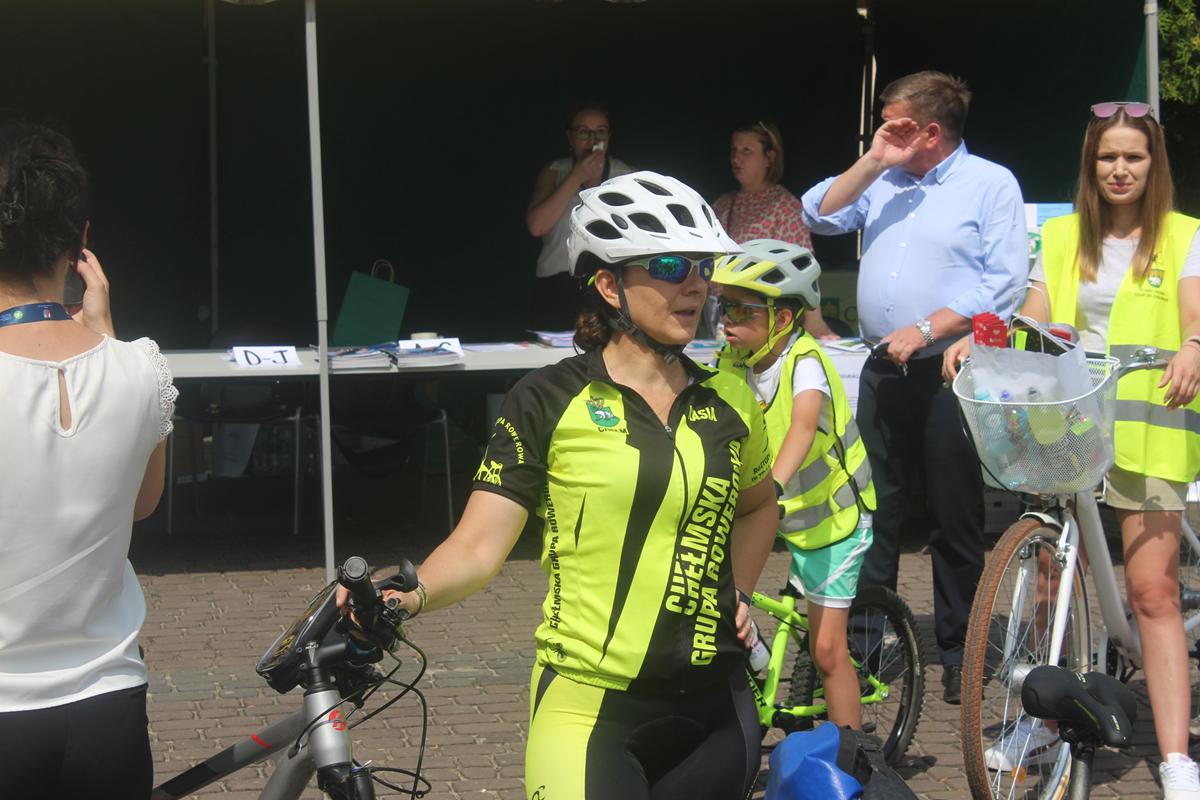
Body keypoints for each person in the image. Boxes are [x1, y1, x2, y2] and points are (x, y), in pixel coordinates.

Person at [343, 171, 780, 799]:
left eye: (703, 267)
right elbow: (478, 545)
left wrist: (739, 592)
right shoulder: (548, 398)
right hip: (590, 709)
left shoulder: (732, 398)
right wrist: (405, 598)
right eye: (669, 265)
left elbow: (760, 506)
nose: (695, 284)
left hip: (720, 713)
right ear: (608, 284)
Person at [943, 101, 1200, 798]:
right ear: (1091, 164)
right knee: (1050, 578)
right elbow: (1036, 317)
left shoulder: (1183, 235)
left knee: (1152, 593)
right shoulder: (1060, 237)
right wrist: (985, 341)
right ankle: (1045, 721)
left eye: (1134, 157)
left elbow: (1192, 311)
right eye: (1107, 156)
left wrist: (1192, 347)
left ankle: (1175, 757)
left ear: (1153, 164)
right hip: (1073, 421)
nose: (1120, 169)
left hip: (1151, 422)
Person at [800, 71, 1028, 705]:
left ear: (930, 131)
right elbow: (817, 213)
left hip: (951, 367)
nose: (882, 132)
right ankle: (865, 649)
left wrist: (928, 327)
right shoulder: (884, 178)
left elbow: (1003, 283)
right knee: (873, 512)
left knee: (954, 516)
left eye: (893, 124)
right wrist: (875, 158)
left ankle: (960, 653)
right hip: (884, 365)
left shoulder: (990, 183)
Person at [0, 122, 177, 798]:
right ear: (81, 242)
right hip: (108, 707)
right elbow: (142, 502)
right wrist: (106, 335)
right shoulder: (141, 369)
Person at [710, 239, 876, 729]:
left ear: (782, 319)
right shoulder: (732, 360)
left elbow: (803, 427)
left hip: (835, 520)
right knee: (717, 597)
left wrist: (772, 488)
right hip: (778, 513)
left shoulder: (805, 361)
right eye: (723, 306)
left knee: (827, 651)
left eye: (741, 310)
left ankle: (853, 756)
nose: (725, 320)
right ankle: (755, 657)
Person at [713, 119, 836, 339]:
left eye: (746, 151)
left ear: (769, 158)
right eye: (734, 150)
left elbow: (803, 270)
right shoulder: (723, 205)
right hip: (721, 317)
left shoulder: (786, 208)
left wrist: (815, 324)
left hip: (764, 322)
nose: (736, 158)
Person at [526, 101, 634, 331]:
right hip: (557, 283)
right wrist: (576, 176)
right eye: (584, 132)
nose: (592, 141)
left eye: (600, 132)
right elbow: (537, 226)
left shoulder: (626, 174)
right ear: (571, 137)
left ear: (609, 136)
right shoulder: (555, 171)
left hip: (609, 282)